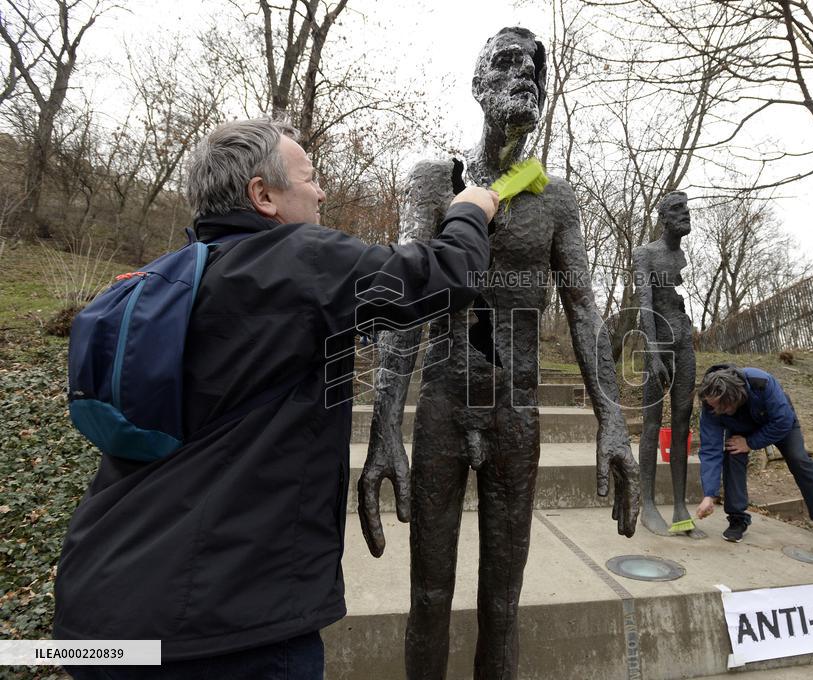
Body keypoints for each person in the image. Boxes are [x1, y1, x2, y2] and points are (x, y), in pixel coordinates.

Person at [53, 118, 499, 679]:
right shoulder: (295, 259)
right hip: (220, 634)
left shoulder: (175, 278)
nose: (322, 190)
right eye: (309, 178)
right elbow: (442, 276)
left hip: (97, 617)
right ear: (262, 196)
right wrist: (471, 211)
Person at [360, 27, 639, 679]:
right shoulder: (434, 181)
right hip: (443, 410)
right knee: (428, 598)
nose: (525, 76)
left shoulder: (557, 201)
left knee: (503, 605)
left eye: (535, 68)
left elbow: (585, 309)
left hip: (516, 414)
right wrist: (383, 429)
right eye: (506, 63)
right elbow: (405, 298)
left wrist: (615, 418)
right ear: (478, 84)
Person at [694, 363, 813, 545]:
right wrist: (709, 495)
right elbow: (710, 448)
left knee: (799, 459)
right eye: (712, 406)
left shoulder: (761, 382)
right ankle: (737, 519)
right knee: (732, 455)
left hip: (778, 423)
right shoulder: (711, 402)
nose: (715, 410)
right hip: (741, 428)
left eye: (720, 407)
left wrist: (750, 443)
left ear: (733, 398)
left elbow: (782, 421)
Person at [633, 191, 705, 538]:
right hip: (657, 342)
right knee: (651, 423)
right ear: (663, 217)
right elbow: (644, 305)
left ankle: (679, 507)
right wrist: (652, 350)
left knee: (680, 425)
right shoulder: (645, 254)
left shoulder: (681, 256)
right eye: (677, 209)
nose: (685, 214)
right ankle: (646, 504)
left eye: (687, 208)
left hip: (683, 343)